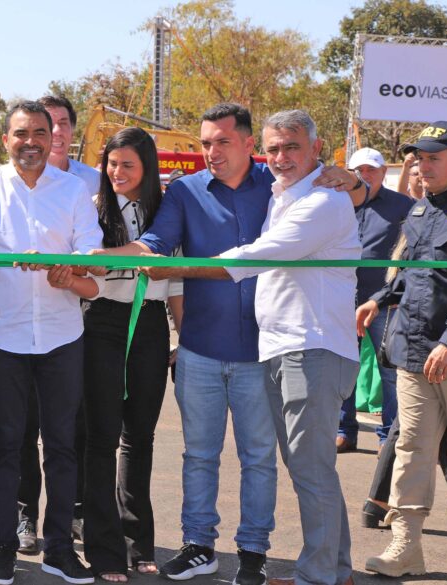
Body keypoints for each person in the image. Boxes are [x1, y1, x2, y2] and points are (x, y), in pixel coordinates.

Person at [94, 103, 365, 584]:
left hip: (271, 351)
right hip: (205, 346)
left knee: (270, 461)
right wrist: (103, 256)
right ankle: (201, 546)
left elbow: (259, 254)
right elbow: (154, 243)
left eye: (222, 141)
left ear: (246, 145)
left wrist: (355, 182)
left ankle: (257, 554)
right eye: (205, 143)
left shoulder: (294, 190)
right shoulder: (196, 190)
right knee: (201, 454)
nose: (212, 152)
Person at [0, 100, 102, 585]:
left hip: (61, 336)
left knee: (61, 448)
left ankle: (59, 550)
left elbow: (91, 253)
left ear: (54, 137)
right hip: (7, 337)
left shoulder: (74, 190)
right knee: (6, 446)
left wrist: (67, 264)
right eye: (21, 134)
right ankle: (4, 549)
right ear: (5, 140)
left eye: (40, 132)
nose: (31, 142)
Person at [81, 128, 183, 583]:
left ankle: (138, 542)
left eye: (128, 165)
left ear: (147, 169)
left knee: (140, 437)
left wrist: (181, 337)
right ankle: (103, 550)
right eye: (112, 163)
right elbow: (88, 270)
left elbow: (177, 280)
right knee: (100, 438)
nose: (117, 173)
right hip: (102, 324)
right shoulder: (93, 211)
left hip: (152, 325)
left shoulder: (168, 212)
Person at [362, 120, 447, 577]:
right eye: (419, 158)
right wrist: (379, 299)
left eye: (433, 157)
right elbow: (411, 273)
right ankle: (406, 547)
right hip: (415, 352)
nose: (423, 166)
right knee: (411, 452)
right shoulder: (421, 211)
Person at [13, 95, 102, 553]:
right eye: (50, 126)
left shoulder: (89, 182)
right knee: (23, 429)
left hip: (76, 318)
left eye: (63, 124)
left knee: (70, 429)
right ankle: (26, 515)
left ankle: (70, 519)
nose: (56, 134)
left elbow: (98, 257)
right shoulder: (0, 186)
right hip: (20, 327)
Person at [336, 147, 414, 453]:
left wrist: (399, 291)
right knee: (345, 368)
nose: (365, 175)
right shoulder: (337, 202)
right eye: (359, 170)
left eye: (371, 170)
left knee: (389, 372)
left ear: (383, 173)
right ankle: (345, 431)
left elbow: (413, 250)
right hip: (342, 299)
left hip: (384, 303)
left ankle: (387, 437)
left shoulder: (402, 205)